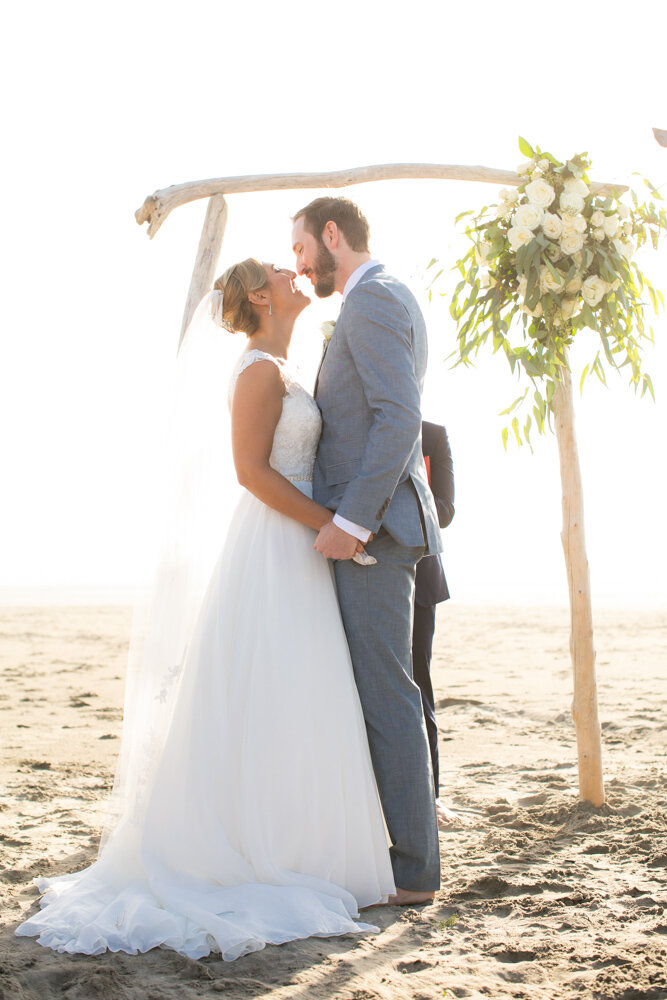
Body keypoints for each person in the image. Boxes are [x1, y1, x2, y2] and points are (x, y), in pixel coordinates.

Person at [16, 258, 395, 960]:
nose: (297, 271)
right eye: (285, 270)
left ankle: (299, 840)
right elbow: (250, 474)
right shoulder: (256, 370)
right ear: (260, 295)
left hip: (298, 544)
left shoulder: (283, 364)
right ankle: (257, 847)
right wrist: (328, 525)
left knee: (301, 691)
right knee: (274, 685)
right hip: (276, 545)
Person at [291, 198, 443, 905]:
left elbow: (397, 418)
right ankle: (391, 855)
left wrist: (352, 522)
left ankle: (413, 871)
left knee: (388, 698)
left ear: (331, 235)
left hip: (375, 536)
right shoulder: (376, 298)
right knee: (380, 695)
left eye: (300, 249)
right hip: (373, 531)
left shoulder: (373, 299)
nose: (298, 265)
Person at [412, 420, 456, 828]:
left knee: (418, 687)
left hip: (420, 579)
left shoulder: (433, 435)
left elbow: (444, 511)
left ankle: (431, 797)